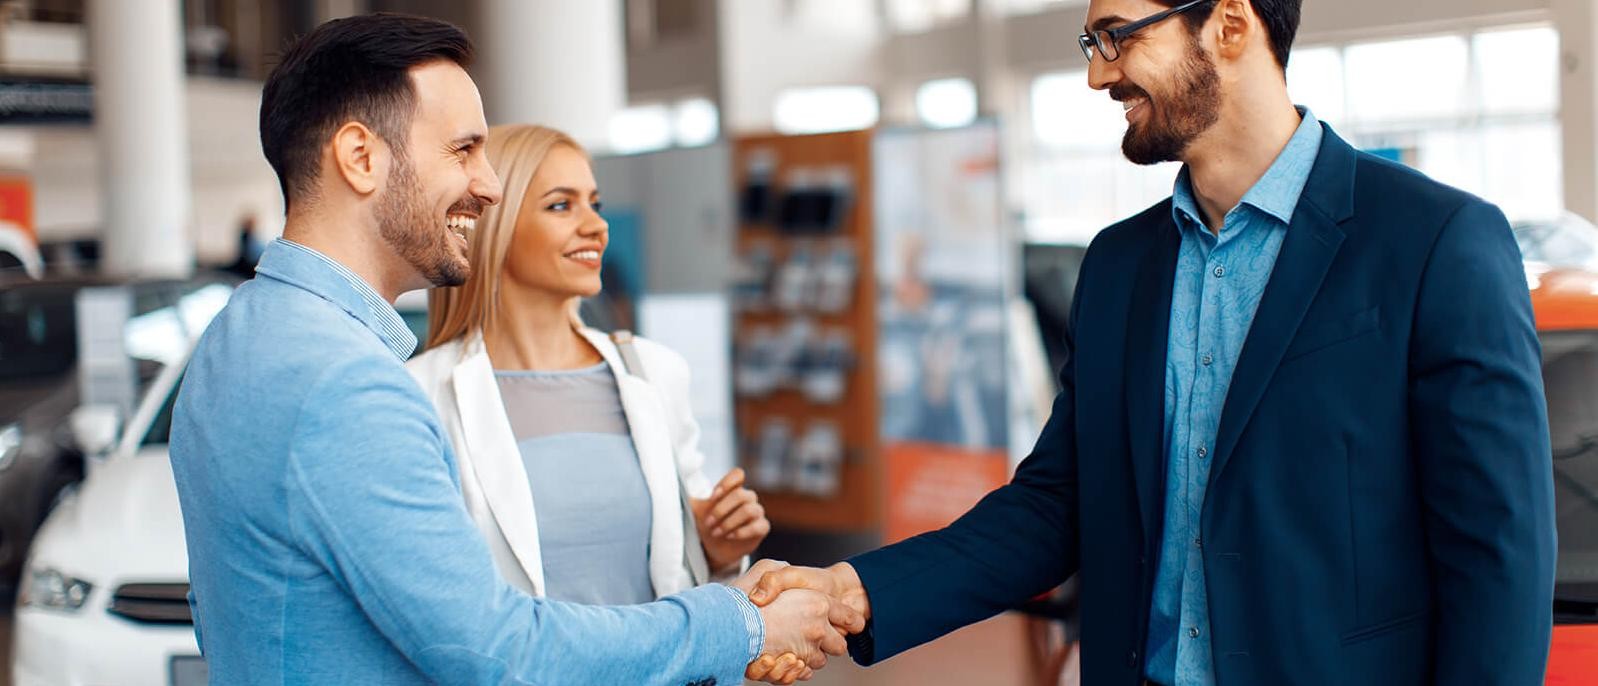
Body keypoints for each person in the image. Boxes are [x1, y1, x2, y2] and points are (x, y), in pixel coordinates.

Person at [745, 1, 1557, 684]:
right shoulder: (1121, 265)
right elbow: (1055, 504)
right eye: (1091, 46)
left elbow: (1498, 558)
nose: (1098, 74)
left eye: (1118, 36)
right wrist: (857, 588)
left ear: (1230, 27)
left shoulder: (1435, 242)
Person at [168, 14, 856, 685]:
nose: (488, 185)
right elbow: (500, 654)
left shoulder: (233, 341)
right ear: (360, 158)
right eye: (462, 150)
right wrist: (740, 623)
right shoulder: (349, 386)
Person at [406, 124, 771, 608]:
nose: (597, 226)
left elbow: (685, 573)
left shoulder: (655, 373)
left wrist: (717, 548)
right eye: (561, 205)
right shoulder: (421, 394)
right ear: (497, 222)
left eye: (594, 204)